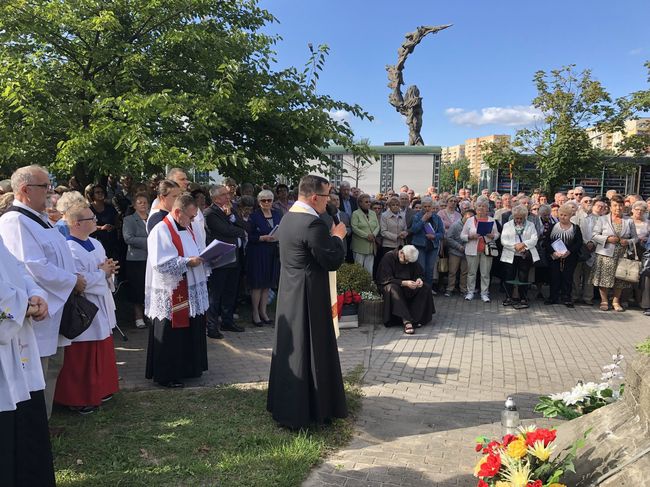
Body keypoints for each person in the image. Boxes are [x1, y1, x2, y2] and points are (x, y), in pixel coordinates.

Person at [0, 165, 84, 419]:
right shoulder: (14, 221)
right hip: (36, 311)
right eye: (44, 186)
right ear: (25, 190)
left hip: (53, 306)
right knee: (38, 371)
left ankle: (43, 424)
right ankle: (37, 426)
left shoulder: (41, 218)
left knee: (52, 367)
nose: (50, 192)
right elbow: (31, 266)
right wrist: (72, 281)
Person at [267, 174, 348, 430]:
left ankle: (286, 404)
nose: (329, 201)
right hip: (308, 295)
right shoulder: (312, 224)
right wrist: (338, 237)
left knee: (293, 349)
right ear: (314, 197)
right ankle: (309, 409)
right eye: (326, 197)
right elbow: (332, 260)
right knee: (309, 349)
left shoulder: (289, 217)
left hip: (290, 290)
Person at [0, 235, 54, 487]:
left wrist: (35, 293)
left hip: (18, 342)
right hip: (7, 338)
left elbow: (16, 267)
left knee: (25, 426)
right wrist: (23, 306)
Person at [55, 203, 120, 413]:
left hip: (102, 302)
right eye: (90, 218)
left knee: (102, 347)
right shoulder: (68, 248)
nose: (95, 221)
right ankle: (78, 398)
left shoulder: (95, 243)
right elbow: (78, 281)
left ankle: (101, 388)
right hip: (84, 305)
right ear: (76, 223)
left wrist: (109, 271)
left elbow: (104, 268)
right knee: (82, 355)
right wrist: (102, 273)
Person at [145, 193, 208, 388]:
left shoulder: (188, 229)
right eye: (190, 216)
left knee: (190, 328)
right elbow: (161, 263)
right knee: (172, 333)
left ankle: (189, 368)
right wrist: (189, 261)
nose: (192, 220)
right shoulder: (161, 230)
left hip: (190, 286)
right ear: (178, 212)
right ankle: (168, 374)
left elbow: (196, 249)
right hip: (172, 290)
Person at [204, 184, 247, 338]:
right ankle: (212, 326)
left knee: (231, 291)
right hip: (220, 257)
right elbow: (225, 231)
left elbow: (245, 225)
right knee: (216, 293)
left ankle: (227, 321)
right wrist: (237, 228)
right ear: (215, 198)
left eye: (228, 194)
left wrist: (233, 217)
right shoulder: (210, 213)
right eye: (224, 195)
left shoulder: (231, 209)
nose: (228, 197)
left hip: (234, 256)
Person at [592, 195, 638, 312]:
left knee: (620, 278)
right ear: (610, 207)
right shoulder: (602, 219)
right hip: (605, 253)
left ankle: (616, 301)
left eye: (620, 205)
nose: (618, 208)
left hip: (622, 254)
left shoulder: (629, 221)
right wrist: (607, 239)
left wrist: (627, 241)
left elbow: (635, 238)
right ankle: (604, 301)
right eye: (615, 205)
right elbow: (594, 235)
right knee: (604, 278)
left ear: (624, 206)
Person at [376, 245, 434, 334]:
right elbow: (385, 278)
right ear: (401, 253)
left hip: (408, 286)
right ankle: (406, 320)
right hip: (392, 284)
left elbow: (419, 273)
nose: (407, 263)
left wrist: (419, 280)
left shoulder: (410, 257)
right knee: (393, 288)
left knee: (425, 287)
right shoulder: (388, 257)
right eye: (406, 260)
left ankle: (415, 319)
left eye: (409, 262)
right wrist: (405, 283)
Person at [246, 190, 282, 326]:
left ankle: (264, 312)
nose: (266, 203)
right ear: (259, 202)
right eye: (263, 200)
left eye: (269, 200)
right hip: (258, 252)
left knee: (267, 284)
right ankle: (255, 313)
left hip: (272, 252)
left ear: (273, 201)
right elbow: (249, 236)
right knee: (257, 284)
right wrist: (262, 238)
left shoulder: (278, 214)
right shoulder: (254, 216)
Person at [461, 196, 500, 302]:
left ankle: (485, 293)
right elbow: (462, 235)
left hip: (486, 249)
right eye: (479, 206)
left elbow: (497, 234)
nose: (481, 208)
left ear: (487, 208)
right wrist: (470, 237)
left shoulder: (491, 220)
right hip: (472, 249)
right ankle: (470, 292)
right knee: (471, 272)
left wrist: (493, 236)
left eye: (483, 206)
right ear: (475, 207)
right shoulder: (469, 220)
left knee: (485, 273)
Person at [500, 205, 539, 309]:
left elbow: (534, 239)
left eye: (521, 218)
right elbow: (503, 240)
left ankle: (523, 298)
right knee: (509, 276)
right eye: (516, 218)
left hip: (524, 255)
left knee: (523, 277)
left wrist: (523, 245)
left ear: (525, 216)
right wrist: (515, 247)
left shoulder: (530, 225)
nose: (518, 220)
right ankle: (508, 297)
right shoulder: (507, 225)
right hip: (510, 254)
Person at [545, 204, 583, 307]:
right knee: (554, 277)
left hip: (570, 257)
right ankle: (553, 297)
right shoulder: (553, 226)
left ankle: (566, 297)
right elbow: (546, 241)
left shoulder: (575, 228)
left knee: (568, 277)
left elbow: (579, 243)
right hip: (555, 257)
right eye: (561, 214)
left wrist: (569, 251)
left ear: (570, 216)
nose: (563, 217)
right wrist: (553, 252)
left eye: (565, 215)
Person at [123, 192, 150, 329]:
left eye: (145, 202)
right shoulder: (129, 220)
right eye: (139, 202)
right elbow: (128, 238)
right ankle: (138, 317)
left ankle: (149, 314)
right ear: (134, 205)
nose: (143, 205)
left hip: (150, 259)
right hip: (136, 259)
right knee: (137, 288)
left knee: (149, 287)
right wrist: (150, 242)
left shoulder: (153, 218)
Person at [572, 199, 605, 305]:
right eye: (586, 201)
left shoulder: (599, 219)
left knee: (589, 276)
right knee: (576, 275)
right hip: (580, 250)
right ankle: (574, 296)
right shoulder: (575, 218)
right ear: (581, 204)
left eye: (590, 201)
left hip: (593, 250)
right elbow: (575, 234)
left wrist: (593, 243)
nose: (588, 203)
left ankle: (587, 297)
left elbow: (601, 233)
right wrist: (586, 243)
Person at [410, 196, 444, 288]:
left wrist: (434, 236)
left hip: (432, 246)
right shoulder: (416, 216)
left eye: (429, 206)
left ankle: (428, 289)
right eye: (425, 207)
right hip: (420, 246)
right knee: (421, 269)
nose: (427, 209)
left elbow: (441, 233)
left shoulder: (437, 218)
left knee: (430, 269)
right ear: (422, 206)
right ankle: (419, 289)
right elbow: (413, 230)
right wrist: (423, 220)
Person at [87, 184, 121, 260]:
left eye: (102, 192)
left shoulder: (110, 207)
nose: (100, 194)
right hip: (95, 241)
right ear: (92, 195)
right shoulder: (88, 209)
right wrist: (101, 228)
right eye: (97, 192)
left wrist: (113, 227)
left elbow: (117, 223)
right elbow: (87, 226)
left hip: (111, 242)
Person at [444, 209, 473, 297]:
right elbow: (449, 238)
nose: (470, 218)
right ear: (464, 215)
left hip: (466, 252)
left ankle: (463, 289)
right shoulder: (455, 225)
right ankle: (450, 289)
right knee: (452, 271)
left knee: (464, 272)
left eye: (472, 217)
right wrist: (458, 246)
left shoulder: (472, 226)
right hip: (455, 252)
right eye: (468, 216)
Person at [350, 193, 380, 276]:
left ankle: (368, 287)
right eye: (366, 202)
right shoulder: (355, 213)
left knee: (369, 269)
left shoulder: (373, 213)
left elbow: (377, 226)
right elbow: (354, 227)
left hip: (371, 246)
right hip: (359, 245)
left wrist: (373, 234)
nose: (369, 203)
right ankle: (357, 288)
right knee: (358, 269)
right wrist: (366, 235)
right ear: (360, 203)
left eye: (369, 202)